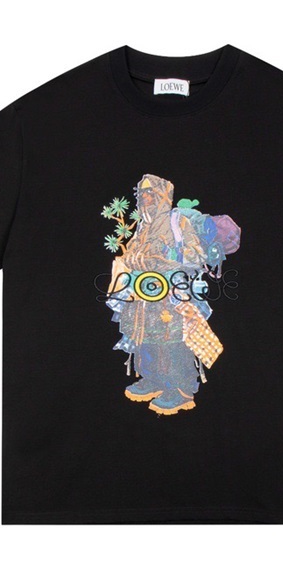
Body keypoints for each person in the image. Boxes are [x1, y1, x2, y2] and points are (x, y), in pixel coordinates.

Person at [105, 174, 233, 416]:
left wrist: (168, 254)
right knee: (144, 336)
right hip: (143, 295)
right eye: (142, 194)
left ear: (162, 195)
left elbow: (195, 255)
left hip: (171, 295)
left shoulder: (178, 222)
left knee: (174, 339)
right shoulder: (143, 226)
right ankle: (153, 380)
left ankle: (181, 389)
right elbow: (133, 253)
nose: (145, 199)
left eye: (150, 193)